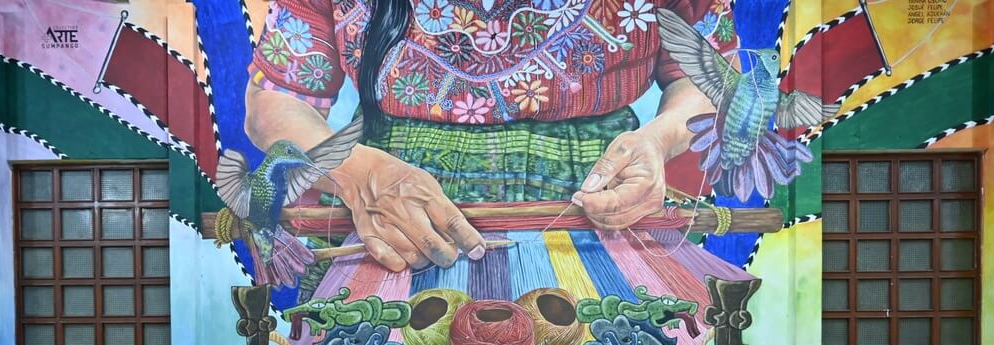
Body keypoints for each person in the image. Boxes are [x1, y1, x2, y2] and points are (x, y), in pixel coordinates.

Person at [244, 0, 734, 270]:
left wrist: (659, 138)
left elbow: (709, 80)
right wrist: (359, 173)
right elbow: (277, 103)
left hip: (596, 207)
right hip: (393, 218)